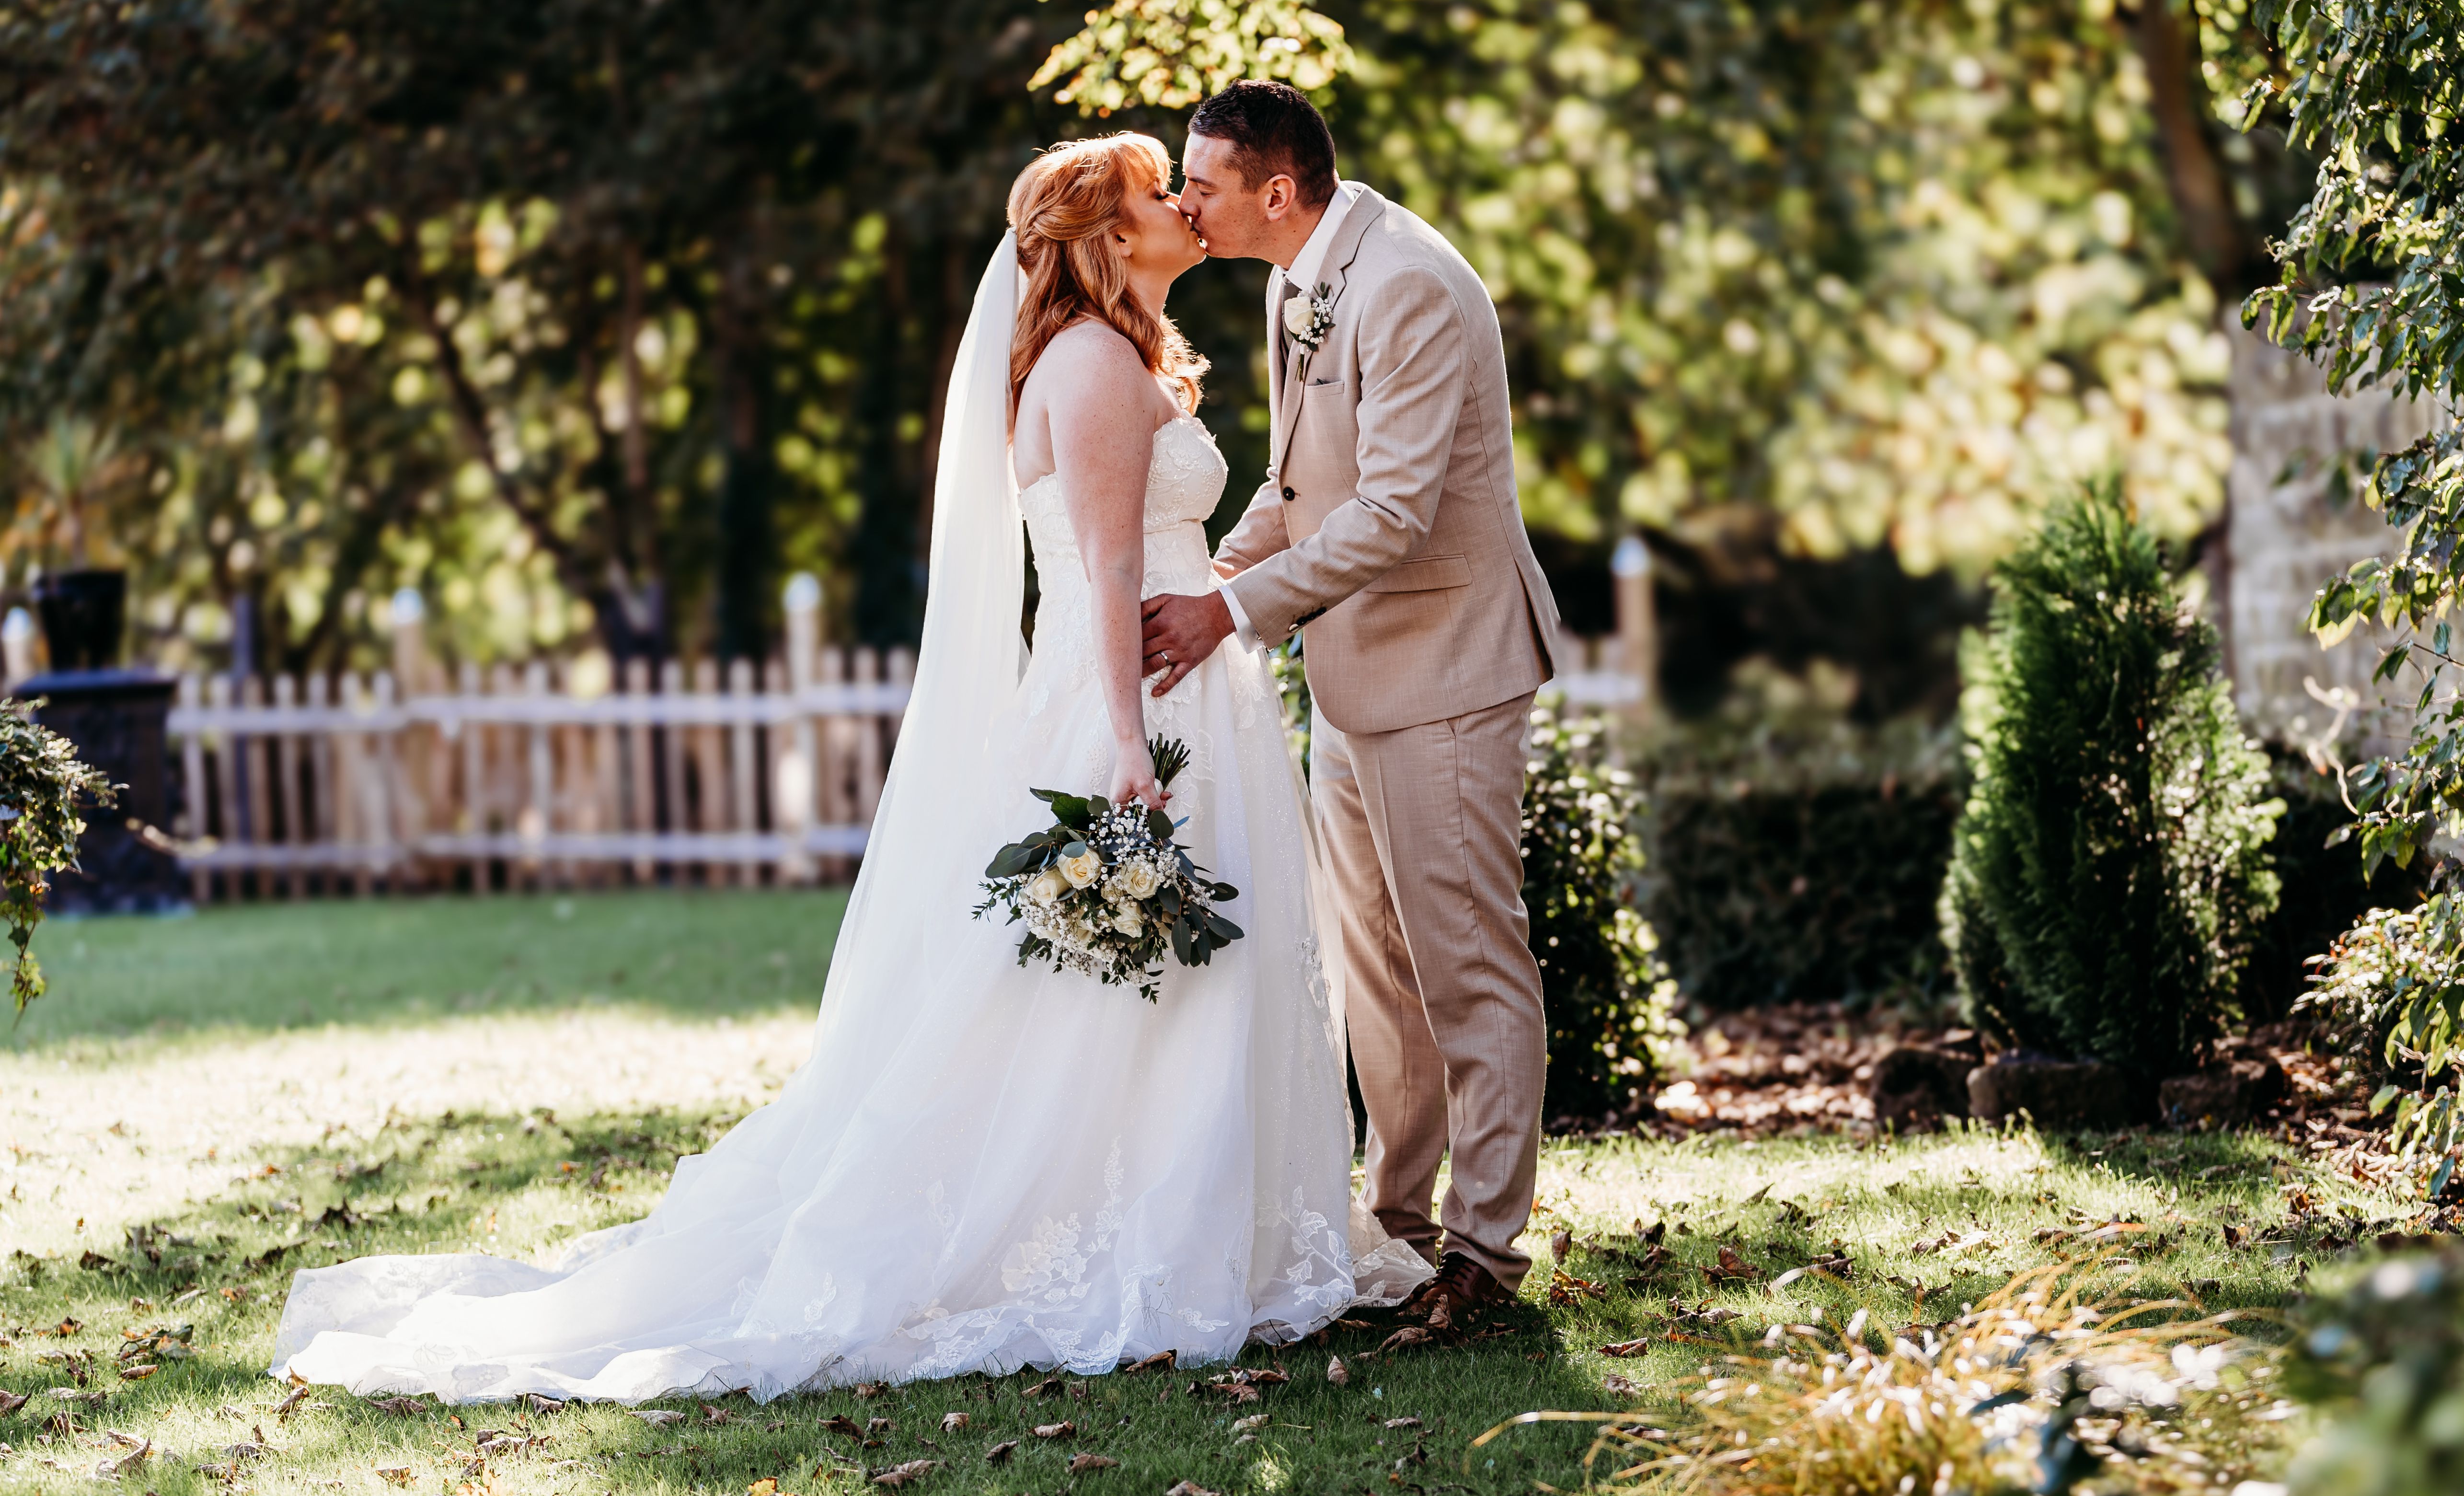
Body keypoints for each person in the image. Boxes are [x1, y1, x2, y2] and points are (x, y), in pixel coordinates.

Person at [268, 132, 1431, 1403]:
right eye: (1158, 193)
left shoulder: (1130, 355)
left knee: (1181, 981)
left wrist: (1210, 607)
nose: (1180, 207)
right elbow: (1099, 569)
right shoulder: (1093, 363)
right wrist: (1120, 745)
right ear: (1104, 238)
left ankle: (1219, 1228)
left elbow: (1153, 554)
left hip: (1185, 683)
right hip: (1136, 704)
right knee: (1117, 987)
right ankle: (1132, 1239)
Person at [1144, 81, 1563, 1324]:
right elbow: (1294, 484)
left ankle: (1486, 1253)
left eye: (1202, 184)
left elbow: (1393, 510)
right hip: (1350, 674)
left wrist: (1228, 612)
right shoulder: (1294, 278)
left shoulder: (1409, 284)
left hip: (1449, 666)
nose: (1184, 203)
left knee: (1468, 960)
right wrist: (1208, 570)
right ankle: (1398, 1221)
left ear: (1276, 191)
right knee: (1377, 968)